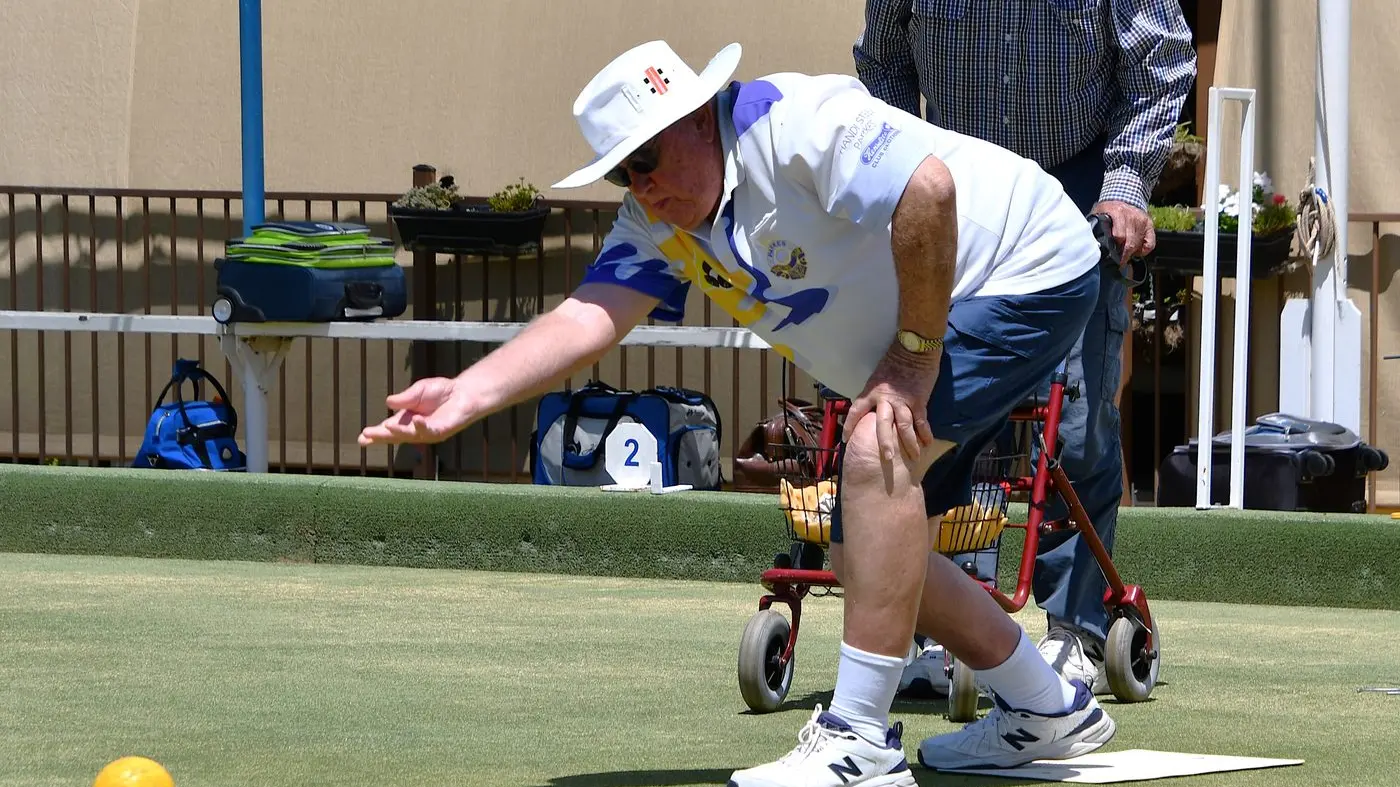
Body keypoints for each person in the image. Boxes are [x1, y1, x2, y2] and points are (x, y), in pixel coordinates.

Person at [359, 40, 1118, 785]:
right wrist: (466, 391)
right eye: (621, 173)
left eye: (645, 162)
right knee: (869, 547)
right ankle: (1048, 707)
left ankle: (859, 742)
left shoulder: (792, 124)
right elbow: (590, 314)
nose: (639, 187)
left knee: (873, 450)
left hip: (1024, 269)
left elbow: (929, 191)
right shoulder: (661, 221)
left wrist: (914, 361)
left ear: (697, 118)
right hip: (955, 303)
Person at [854, 0, 1197, 695]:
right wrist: (894, 173)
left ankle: (1075, 629)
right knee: (943, 407)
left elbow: (1159, 61)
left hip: (1077, 185)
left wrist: (1127, 186)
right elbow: (883, 64)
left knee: (1075, 422)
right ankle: (940, 625)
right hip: (954, 189)